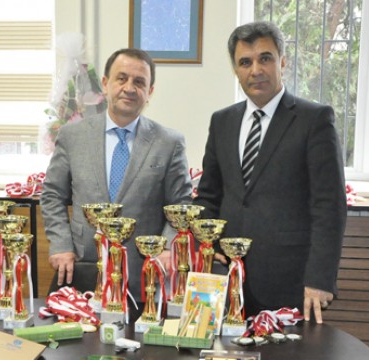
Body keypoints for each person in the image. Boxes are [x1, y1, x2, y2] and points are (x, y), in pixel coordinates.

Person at [194, 21, 347, 323]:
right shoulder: (222, 122)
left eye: (265, 58)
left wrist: (320, 278)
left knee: (291, 355)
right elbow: (209, 196)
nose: (256, 70)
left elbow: (329, 207)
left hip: (290, 282)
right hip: (226, 280)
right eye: (245, 62)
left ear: (282, 62)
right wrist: (206, 243)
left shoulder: (314, 119)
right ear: (236, 70)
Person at [41, 48, 192, 303]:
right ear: (105, 83)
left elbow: (180, 204)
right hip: (83, 267)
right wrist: (61, 244)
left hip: (144, 272)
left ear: (150, 91)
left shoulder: (169, 142)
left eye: (139, 82)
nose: (129, 88)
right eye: (121, 78)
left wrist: (168, 246)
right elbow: (52, 195)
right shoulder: (72, 136)